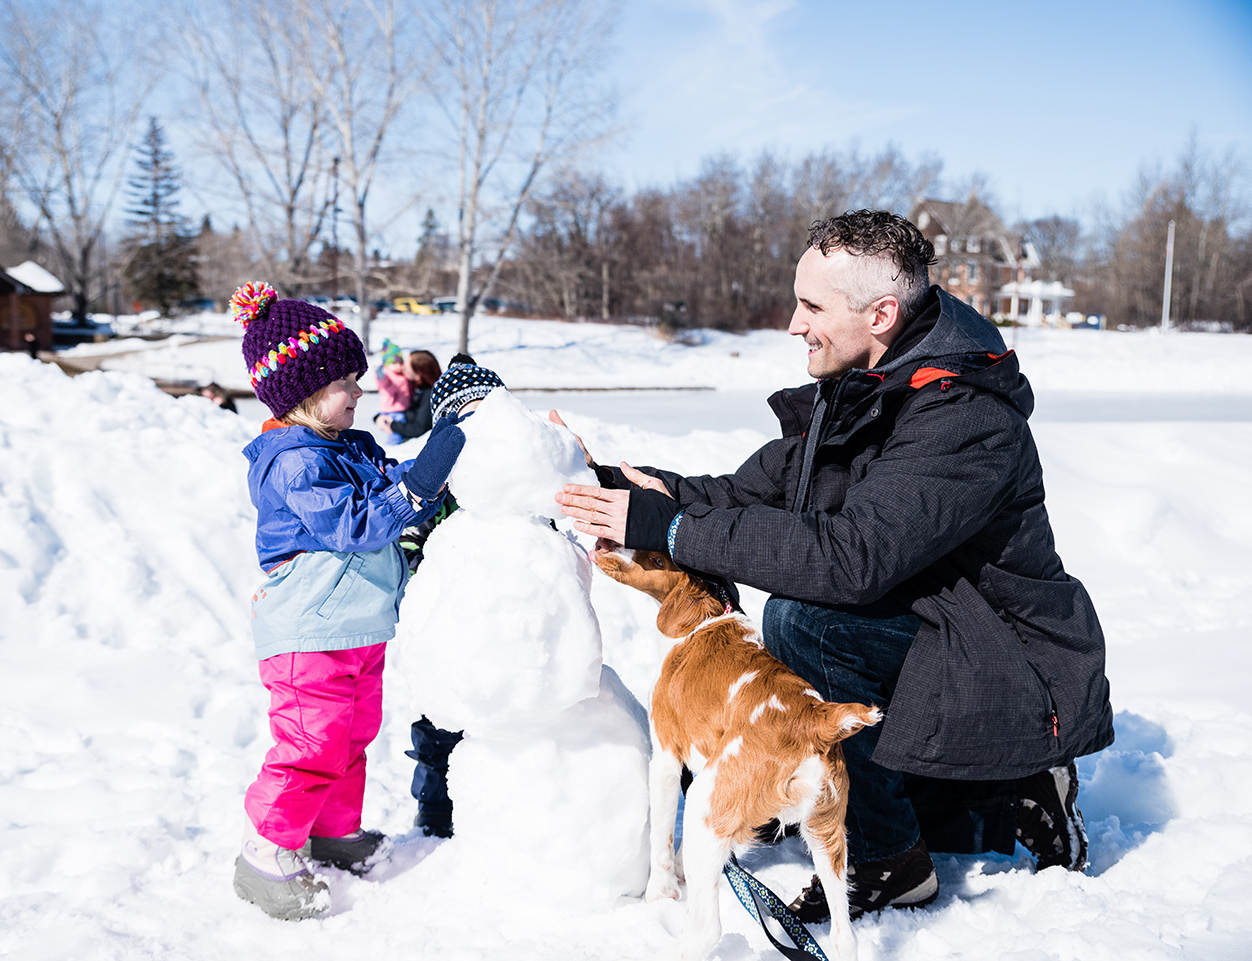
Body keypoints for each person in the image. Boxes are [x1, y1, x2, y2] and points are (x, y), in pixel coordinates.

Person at [555, 209, 1114, 922]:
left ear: (881, 313)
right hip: (939, 635)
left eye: (811, 305)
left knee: (806, 622)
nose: (794, 323)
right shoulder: (866, 386)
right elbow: (744, 495)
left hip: (1014, 665)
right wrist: (605, 483)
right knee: (817, 627)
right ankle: (993, 788)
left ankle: (894, 859)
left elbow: (848, 560)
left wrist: (671, 527)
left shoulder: (961, 418)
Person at [226, 282, 470, 921]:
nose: (361, 392)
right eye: (347, 383)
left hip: (356, 629)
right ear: (306, 395)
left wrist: (439, 457)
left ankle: (333, 833)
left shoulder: (343, 448)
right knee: (311, 745)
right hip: (308, 636)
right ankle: (265, 852)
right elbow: (356, 524)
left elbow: (397, 482)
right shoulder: (295, 464)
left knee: (351, 738)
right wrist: (421, 484)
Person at [399, 353, 506, 838]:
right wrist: (424, 572)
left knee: (501, 718)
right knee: (440, 722)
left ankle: (501, 799)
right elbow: (408, 542)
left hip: (504, 624)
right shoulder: (436, 485)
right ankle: (435, 803)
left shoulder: (514, 482)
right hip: (448, 625)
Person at [377, 349, 443, 441]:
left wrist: (392, 425)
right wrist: (379, 417)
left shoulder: (429, 394)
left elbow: (419, 428)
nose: (402, 367)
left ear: (418, 374)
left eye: (406, 367)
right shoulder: (416, 387)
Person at [374, 339, 413, 444]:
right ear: (386, 364)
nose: (398, 366)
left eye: (400, 362)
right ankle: (393, 447)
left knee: (402, 432)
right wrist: (380, 373)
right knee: (394, 433)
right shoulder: (388, 375)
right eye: (394, 363)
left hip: (402, 409)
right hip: (392, 411)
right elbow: (382, 382)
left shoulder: (402, 373)